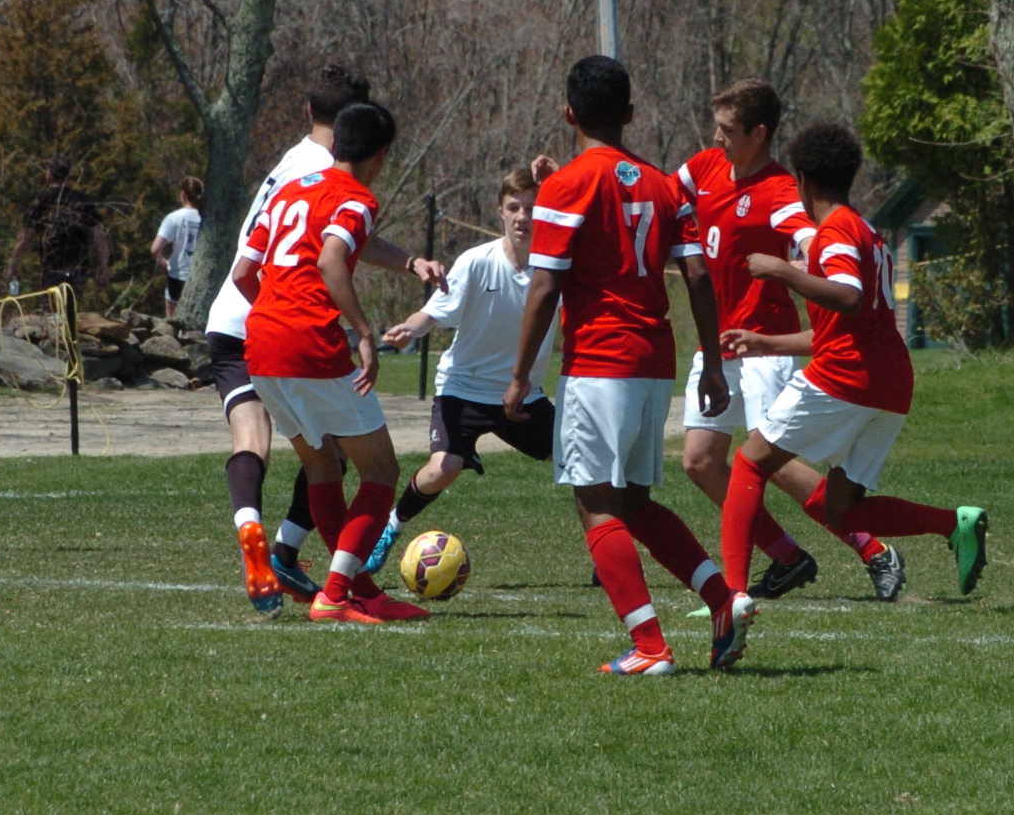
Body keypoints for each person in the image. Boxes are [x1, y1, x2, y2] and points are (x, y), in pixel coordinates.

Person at [506, 55, 751, 676]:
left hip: (599, 361)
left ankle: (649, 646)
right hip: (655, 360)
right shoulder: (667, 186)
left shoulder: (566, 185)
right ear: (632, 114)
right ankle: (723, 601)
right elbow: (697, 275)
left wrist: (519, 376)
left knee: (596, 503)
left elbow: (545, 287)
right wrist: (712, 363)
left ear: (568, 113)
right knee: (634, 502)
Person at [200, 63, 444, 607]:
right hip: (305, 340)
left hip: (255, 338)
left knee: (319, 464)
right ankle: (337, 591)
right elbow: (334, 258)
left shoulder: (291, 183)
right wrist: (363, 332)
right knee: (380, 470)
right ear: (380, 155)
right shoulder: (352, 193)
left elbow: (243, 271)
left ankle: (347, 584)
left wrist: (273, 312)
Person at [717, 122, 988, 607]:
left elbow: (848, 296)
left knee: (749, 462)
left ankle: (730, 595)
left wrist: (781, 270)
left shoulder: (837, 230)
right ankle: (954, 523)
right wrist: (765, 342)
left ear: (802, 181)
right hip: (890, 382)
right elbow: (842, 326)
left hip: (847, 376)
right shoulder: (866, 231)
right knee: (840, 510)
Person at [675, 80, 899, 601]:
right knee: (700, 462)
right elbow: (661, 195)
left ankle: (872, 548)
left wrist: (799, 261)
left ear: (759, 133)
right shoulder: (705, 167)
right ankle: (787, 557)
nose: (717, 137)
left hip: (762, 344)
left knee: (767, 462)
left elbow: (818, 238)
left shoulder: (779, 191)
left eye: (728, 129)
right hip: (718, 342)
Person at [364, 167, 557, 570]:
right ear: (500, 211)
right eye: (514, 207)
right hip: (463, 389)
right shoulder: (476, 262)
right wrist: (409, 330)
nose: (523, 217)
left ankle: (605, 551)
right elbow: (433, 314)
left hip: (522, 396)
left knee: (578, 462)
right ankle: (390, 529)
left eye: (532, 208)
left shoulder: (556, 268)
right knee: (443, 469)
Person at [6, 159, 110, 305]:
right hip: (79, 267)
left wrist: (13, 266)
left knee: (50, 309)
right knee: (72, 308)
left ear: (48, 175)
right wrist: (103, 268)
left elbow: (24, 238)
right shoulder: (82, 200)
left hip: (51, 267)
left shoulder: (40, 201)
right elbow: (99, 236)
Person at [152, 178, 205, 317]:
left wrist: (163, 262)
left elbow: (155, 249)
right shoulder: (208, 218)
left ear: (183, 195)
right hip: (201, 278)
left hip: (177, 276)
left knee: (171, 322)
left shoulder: (174, 218)